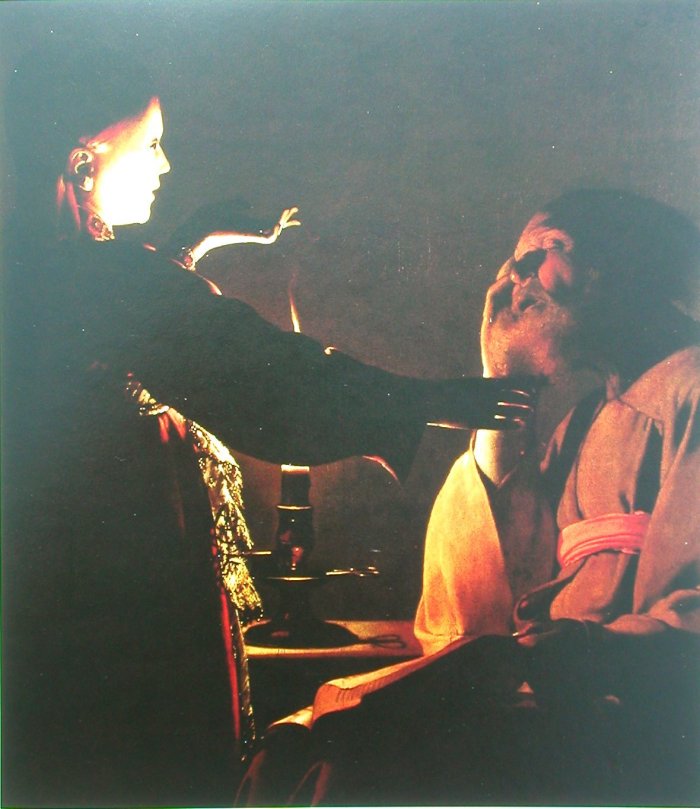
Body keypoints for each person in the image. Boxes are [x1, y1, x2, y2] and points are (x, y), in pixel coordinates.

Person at [1, 48, 531, 808]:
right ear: (83, 163)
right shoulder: (104, 278)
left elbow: (137, 332)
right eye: (151, 144)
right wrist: (424, 398)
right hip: (116, 601)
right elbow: (270, 381)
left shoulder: (41, 266)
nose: (164, 164)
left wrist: (192, 244)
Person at [240, 189, 700, 807]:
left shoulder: (691, 390)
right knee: (293, 743)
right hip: (554, 702)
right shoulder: (589, 416)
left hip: (621, 735)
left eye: (549, 247)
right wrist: (498, 378)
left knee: (356, 760)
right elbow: (476, 608)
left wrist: (567, 652)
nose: (514, 275)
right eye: (515, 257)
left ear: (625, 264)